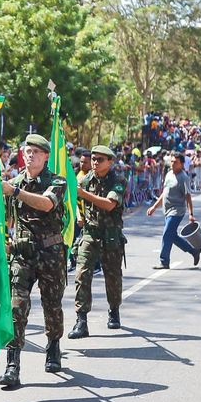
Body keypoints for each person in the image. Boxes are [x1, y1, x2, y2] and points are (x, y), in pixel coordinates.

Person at [0, 134, 67, 387]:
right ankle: (12, 364)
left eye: (36, 152)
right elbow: (5, 217)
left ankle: (53, 346)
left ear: (46, 156)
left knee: (52, 305)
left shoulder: (56, 182)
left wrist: (16, 192)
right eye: (28, 151)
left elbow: (47, 204)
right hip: (22, 254)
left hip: (50, 254)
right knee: (16, 308)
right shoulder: (14, 182)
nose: (31, 155)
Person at [68, 145, 126, 339]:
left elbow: (109, 205)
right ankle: (81, 320)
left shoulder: (118, 181)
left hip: (111, 236)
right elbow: (76, 201)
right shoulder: (85, 180)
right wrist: (79, 215)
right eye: (93, 158)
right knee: (82, 274)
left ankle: (114, 310)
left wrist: (83, 194)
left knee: (113, 276)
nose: (95, 162)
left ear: (110, 162)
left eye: (100, 159)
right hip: (90, 234)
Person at [146, 153, 201, 269]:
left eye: (175, 162)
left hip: (177, 210)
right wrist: (154, 207)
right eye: (171, 161)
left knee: (167, 234)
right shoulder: (169, 174)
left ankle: (164, 261)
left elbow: (188, 196)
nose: (172, 164)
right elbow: (164, 193)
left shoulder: (183, 178)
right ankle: (194, 251)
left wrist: (191, 214)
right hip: (167, 210)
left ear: (182, 164)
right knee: (172, 235)